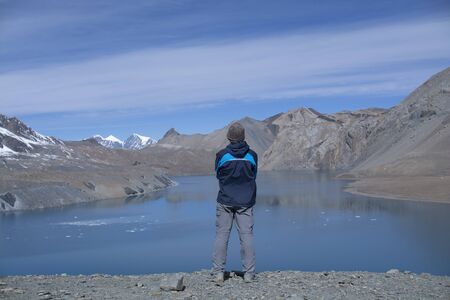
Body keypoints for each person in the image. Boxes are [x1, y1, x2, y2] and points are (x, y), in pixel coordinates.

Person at [212, 121, 258, 283]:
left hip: (225, 200)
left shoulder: (222, 155)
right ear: (243, 137)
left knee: (221, 235)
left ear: (229, 137)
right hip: (246, 201)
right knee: (246, 236)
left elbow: (218, 174)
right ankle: (249, 273)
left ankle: (218, 272)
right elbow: (254, 174)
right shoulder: (252, 155)